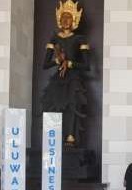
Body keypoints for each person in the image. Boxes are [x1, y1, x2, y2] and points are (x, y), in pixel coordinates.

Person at [42, 0, 90, 146]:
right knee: (53, 106)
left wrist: (69, 63)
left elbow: (87, 66)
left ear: (74, 20)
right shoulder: (54, 38)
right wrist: (57, 61)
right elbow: (45, 65)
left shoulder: (79, 39)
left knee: (73, 105)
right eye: (63, 17)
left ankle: (71, 136)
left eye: (69, 17)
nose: (65, 20)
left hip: (73, 79)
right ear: (59, 20)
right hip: (58, 80)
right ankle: (54, 136)